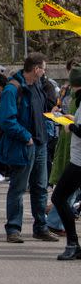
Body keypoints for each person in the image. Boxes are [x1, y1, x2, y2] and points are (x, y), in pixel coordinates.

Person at [0, 52, 59, 243]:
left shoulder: (38, 85)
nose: (44, 72)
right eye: (43, 69)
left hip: (40, 144)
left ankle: (41, 227)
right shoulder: (13, 89)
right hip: (24, 145)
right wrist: (26, 137)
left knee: (40, 188)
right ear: (36, 69)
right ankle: (13, 229)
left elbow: (41, 111)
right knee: (18, 188)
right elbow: (6, 119)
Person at [52, 75, 81, 260]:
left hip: (79, 162)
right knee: (61, 198)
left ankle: (73, 243)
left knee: (59, 197)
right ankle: (73, 243)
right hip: (78, 159)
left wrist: (71, 126)